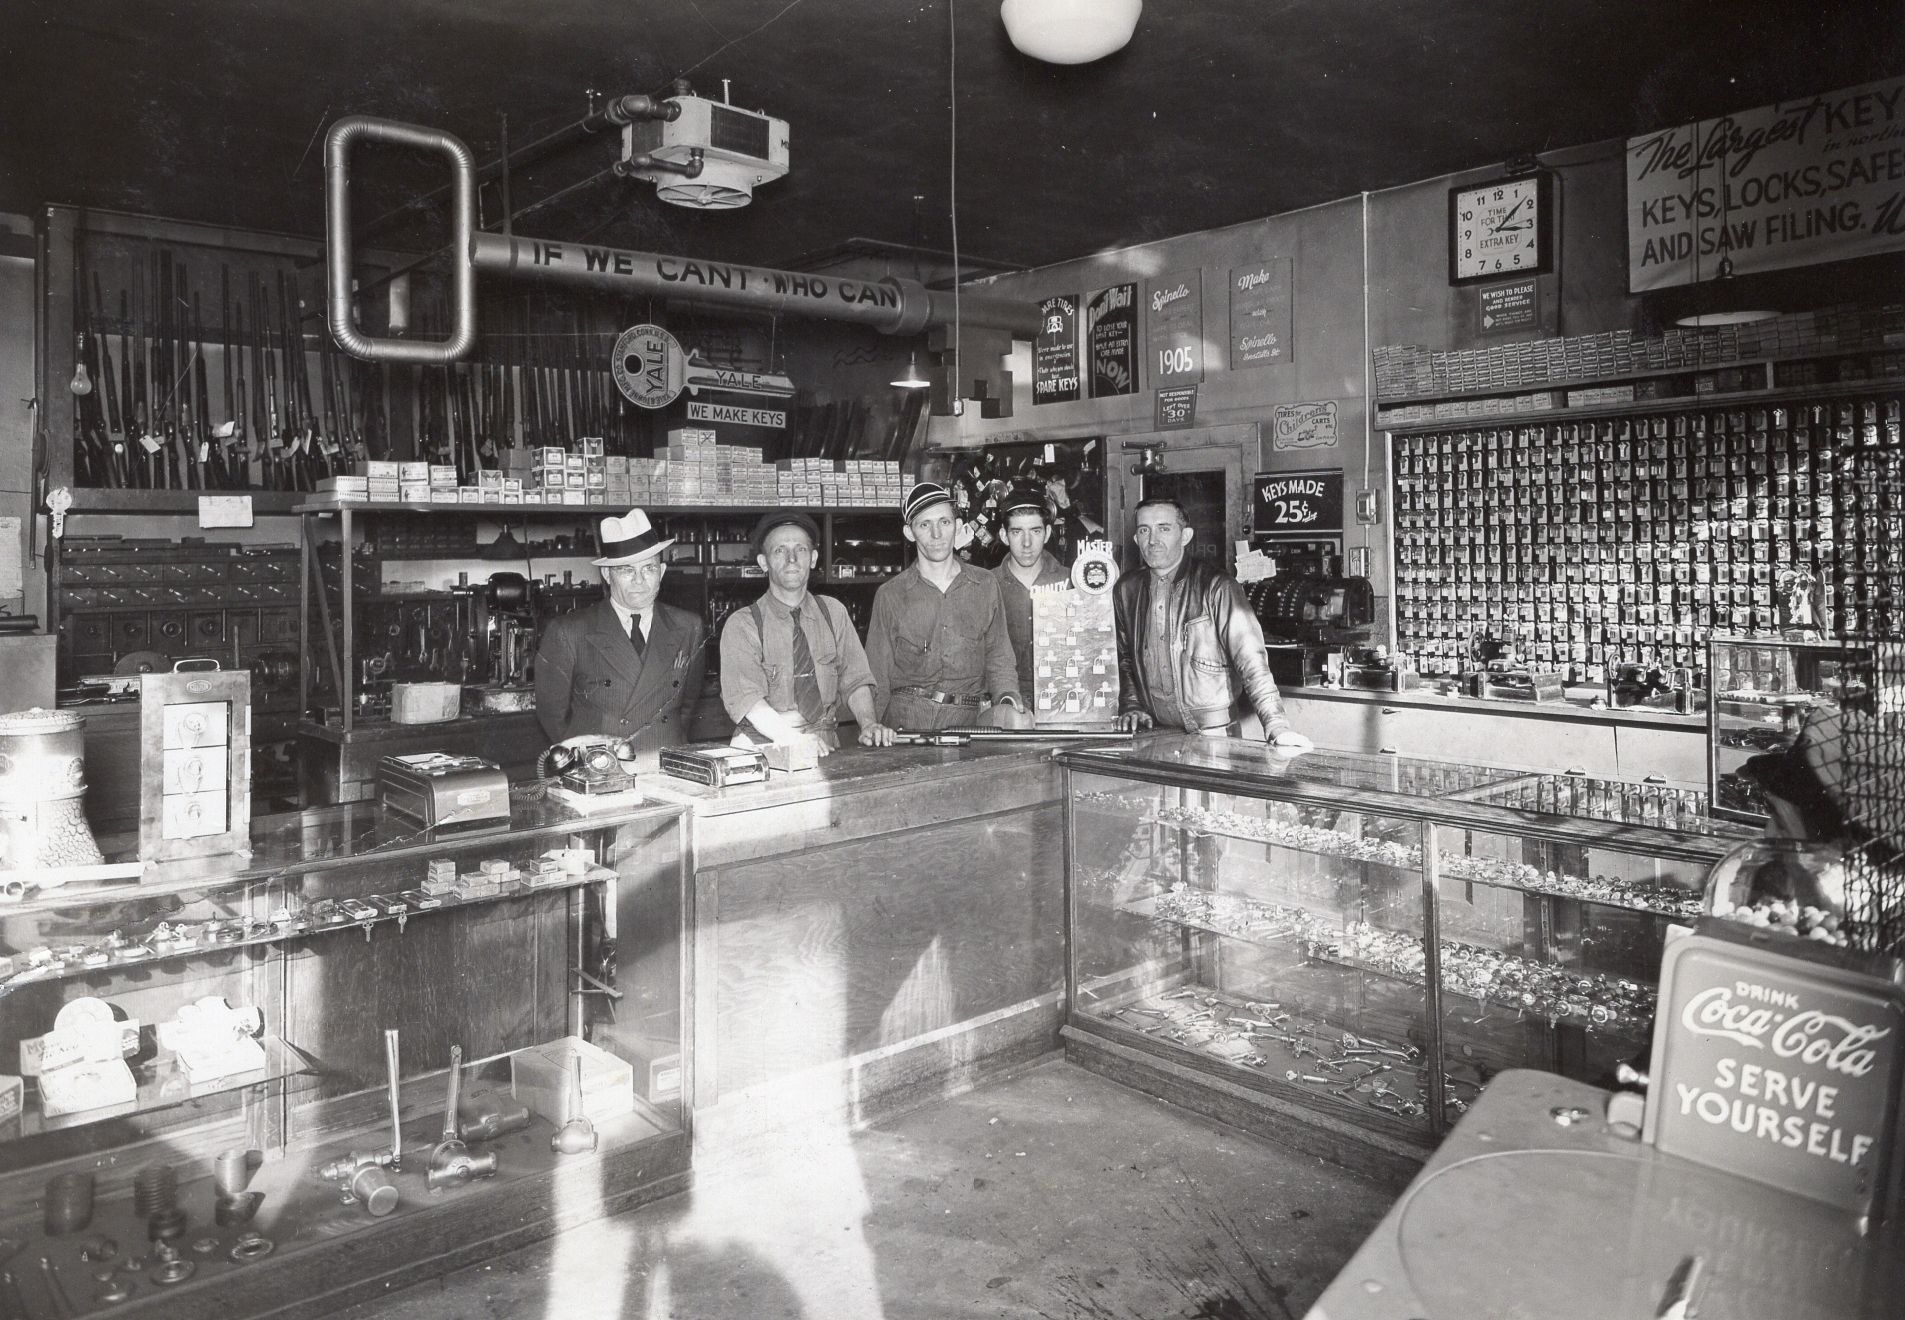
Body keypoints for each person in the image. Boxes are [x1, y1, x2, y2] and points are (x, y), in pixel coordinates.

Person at [1114, 497, 1312, 749]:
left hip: (1214, 735)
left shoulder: (1217, 586)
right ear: (1136, 539)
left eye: (1164, 528)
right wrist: (1132, 705)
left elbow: (1251, 660)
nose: (1152, 540)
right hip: (1155, 735)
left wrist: (1276, 725)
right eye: (1144, 530)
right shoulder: (1126, 589)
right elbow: (1125, 658)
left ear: (1185, 536)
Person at [719, 510, 897, 756]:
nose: (791, 559)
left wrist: (868, 723)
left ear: (813, 558)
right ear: (763, 562)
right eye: (780, 550)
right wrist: (793, 740)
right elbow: (747, 700)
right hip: (764, 750)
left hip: (824, 745)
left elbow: (855, 679)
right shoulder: (743, 624)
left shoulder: (833, 613)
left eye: (800, 549)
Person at [534, 507, 706, 757]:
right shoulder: (569, 632)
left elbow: (687, 706)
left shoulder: (689, 626)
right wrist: (590, 760)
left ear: (663, 572)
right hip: (603, 767)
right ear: (606, 574)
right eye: (627, 570)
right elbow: (552, 714)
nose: (639, 580)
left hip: (666, 762)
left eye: (649, 568)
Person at [866, 481, 1029, 732]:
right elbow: (877, 673)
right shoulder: (891, 595)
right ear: (910, 533)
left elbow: (999, 657)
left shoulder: (985, 584)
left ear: (957, 525)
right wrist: (872, 727)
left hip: (966, 720)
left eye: (944, 522)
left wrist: (1007, 698)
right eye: (924, 525)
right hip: (906, 720)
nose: (937, 534)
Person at [991, 484, 1072, 698]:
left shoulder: (1071, 581)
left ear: (1046, 534)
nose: (1027, 543)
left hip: (1061, 698)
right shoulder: (987, 585)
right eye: (1017, 532)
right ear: (1004, 535)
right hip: (1005, 702)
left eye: (1035, 531)